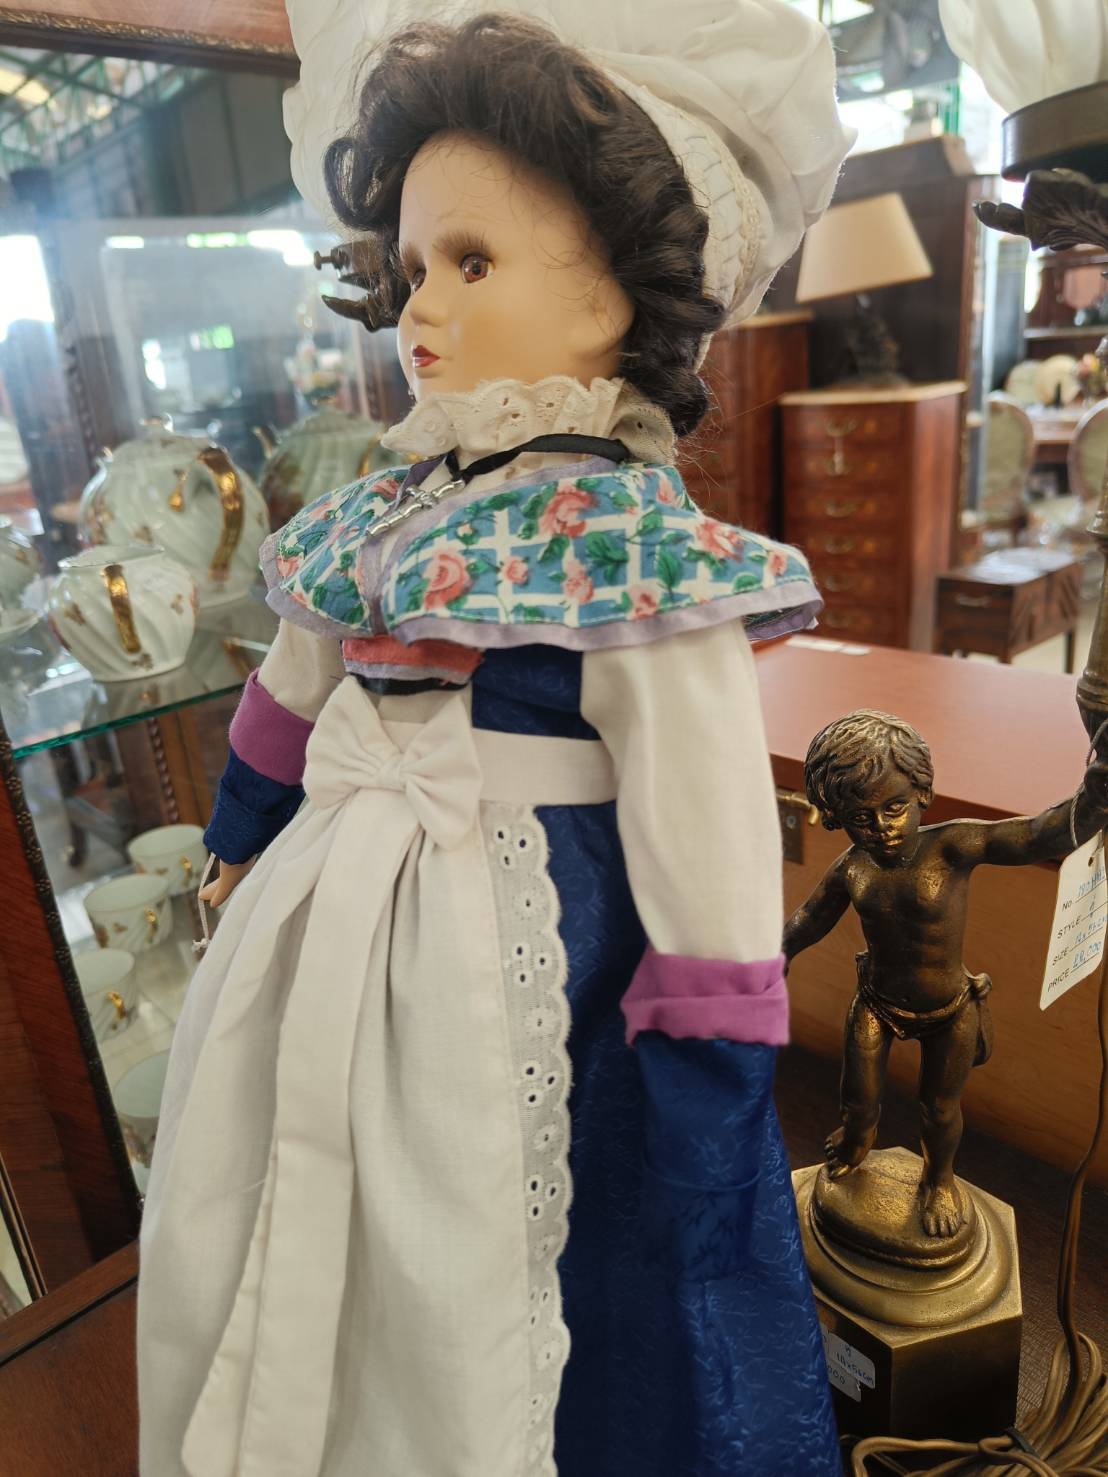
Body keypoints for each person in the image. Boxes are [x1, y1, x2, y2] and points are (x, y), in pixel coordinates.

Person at [137, 6, 854, 1474]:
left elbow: (703, 809)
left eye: (472, 261)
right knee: (297, 1179)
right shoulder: (379, 508)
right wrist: (238, 834)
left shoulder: (634, 548)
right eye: (411, 270)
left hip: (535, 931)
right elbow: (292, 682)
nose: (423, 309)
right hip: (336, 906)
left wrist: (714, 1051)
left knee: (501, 1220)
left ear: (616, 291)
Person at [785, 708, 1108, 1238]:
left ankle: (939, 1179)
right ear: (838, 817)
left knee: (939, 1111)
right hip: (876, 1003)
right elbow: (809, 919)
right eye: (862, 817)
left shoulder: (952, 845)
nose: (882, 828)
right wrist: (774, 958)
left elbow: (1037, 836)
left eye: (894, 807)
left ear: (922, 793)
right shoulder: (852, 867)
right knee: (859, 1099)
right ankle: (856, 1139)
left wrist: (1098, 790)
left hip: (950, 1008)